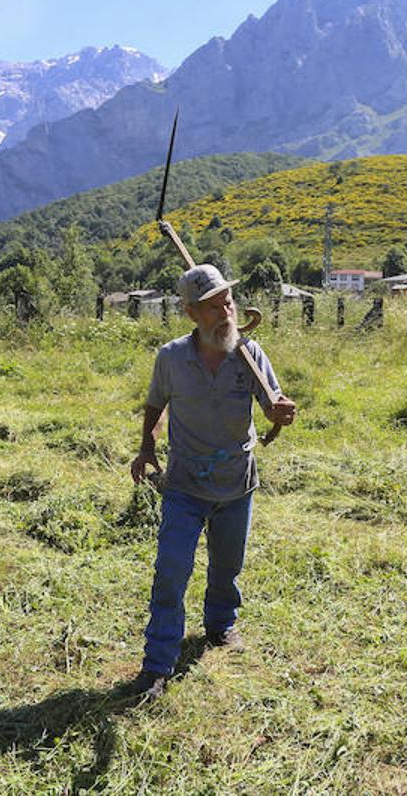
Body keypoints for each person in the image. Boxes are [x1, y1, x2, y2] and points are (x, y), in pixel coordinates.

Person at [128, 264, 297, 701]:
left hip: (236, 483)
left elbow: (272, 403)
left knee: (227, 565)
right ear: (191, 314)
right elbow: (154, 405)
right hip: (184, 483)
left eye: (228, 301)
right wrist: (147, 448)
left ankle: (221, 626)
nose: (226, 312)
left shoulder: (251, 357)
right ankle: (157, 664)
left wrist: (279, 412)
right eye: (214, 306)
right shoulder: (171, 358)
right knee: (171, 570)